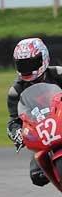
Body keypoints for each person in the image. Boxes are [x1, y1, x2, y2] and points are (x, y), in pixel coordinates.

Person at [6, 37, 62, 186]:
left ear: (44, 58)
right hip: (44, 135)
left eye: (31, 63)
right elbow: (13, 121)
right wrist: (17, 133)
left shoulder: (59, 74)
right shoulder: (15, 91)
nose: (27, 68)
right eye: (22, 64)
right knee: (37, 175)